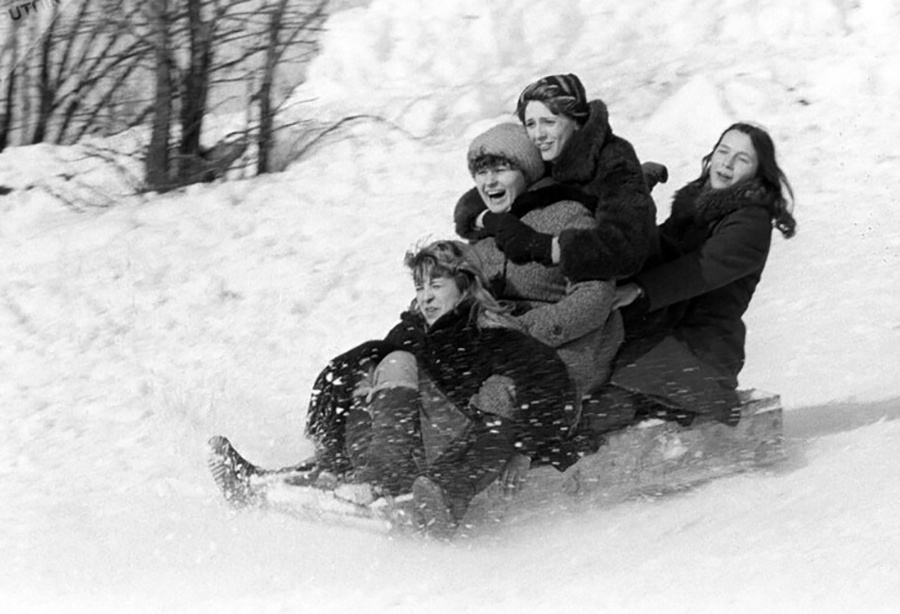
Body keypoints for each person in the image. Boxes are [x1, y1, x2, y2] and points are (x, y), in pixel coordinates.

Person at [209, 240, 578, 537]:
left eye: (436, 285)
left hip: (459, 447)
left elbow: (551, 382)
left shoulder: (489, 332)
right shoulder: (413, 330)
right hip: (412, 444)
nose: (426, 297)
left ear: (464, 287)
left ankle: (381, 482)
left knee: (396, 362)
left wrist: (527, 448)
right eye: (420, 287)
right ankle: (308, 474)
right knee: (367, 366)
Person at [606, 122, 797, 427]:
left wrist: (639, 289)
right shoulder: (698, 204)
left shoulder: (751, 222)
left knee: (611, 382)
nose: (727, 162)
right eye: (723, 151)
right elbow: (659, 249)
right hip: (667, 330)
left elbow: (698, 270)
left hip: (703, 350)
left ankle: (708, 402)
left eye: (742, 159)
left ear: (758, 172)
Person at [464, 122, 624, 407]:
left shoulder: (568, 217)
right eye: (481, 172)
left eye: (500, 170)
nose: (489, 182)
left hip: (566, 348)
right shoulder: (482, 237)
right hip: (501, 347)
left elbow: (595, 296)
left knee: (500, 396)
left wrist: (524, 332)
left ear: (528, 171)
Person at [455, 73, 661, 283]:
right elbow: (479, 199)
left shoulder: (614, 160)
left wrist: (542, 246)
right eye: (531, 124)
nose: (538, 135)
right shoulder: (545, 153)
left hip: (636, 280)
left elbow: (627, 248)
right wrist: (489, 219)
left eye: (548, 122)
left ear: (577, 122)